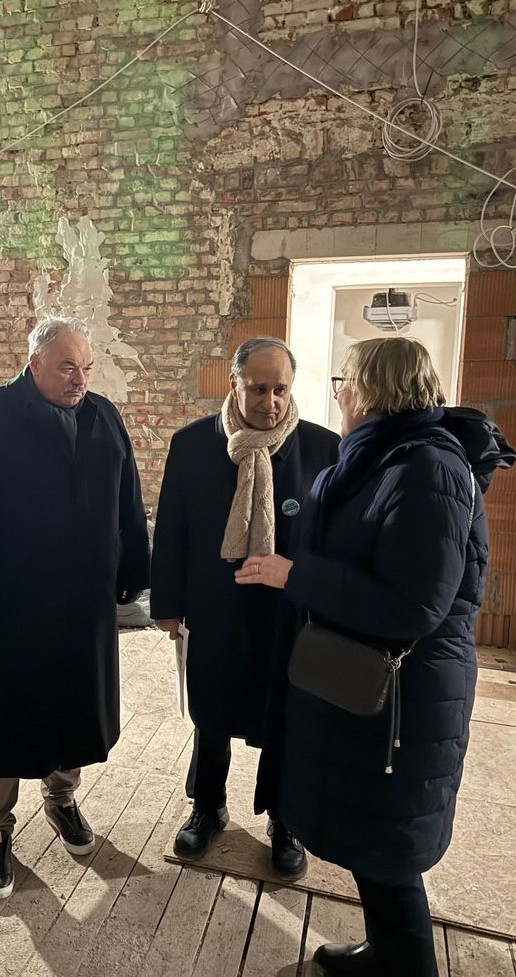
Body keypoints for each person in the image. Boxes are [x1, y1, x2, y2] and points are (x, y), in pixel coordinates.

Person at [237, 337, 508, 977]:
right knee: (375, 844)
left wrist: (293, 575)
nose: (339, 394)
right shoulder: (385, 457)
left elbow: (415, 605)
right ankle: (385, 951)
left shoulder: (427, 469)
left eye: (344, 380)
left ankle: (407, 963)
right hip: (371, 689)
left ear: (369, 390)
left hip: (402, 701)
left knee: (389, 855)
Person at [0, 316, 150, 900]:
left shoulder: (101, 414)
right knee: (5, 715)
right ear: (34, 362)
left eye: (86, 367)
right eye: (68, 366)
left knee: (76, 705)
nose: (79, 379)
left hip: (84, 598)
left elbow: (128, 496)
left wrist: (133, 571)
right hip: (11, 601)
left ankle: (61, 798)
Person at [151, 336, 339, 874]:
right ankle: (206, 806)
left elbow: (330, 543)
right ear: (234, 383)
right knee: (211, 710)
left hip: (288, 612)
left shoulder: (323, 449)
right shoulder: (192, 444)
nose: (270, 402)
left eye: (280, 389)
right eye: (258, 388)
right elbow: (172, 531)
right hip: (215, 605)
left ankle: (285, 817)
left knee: (285, 712)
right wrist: (167, 604)